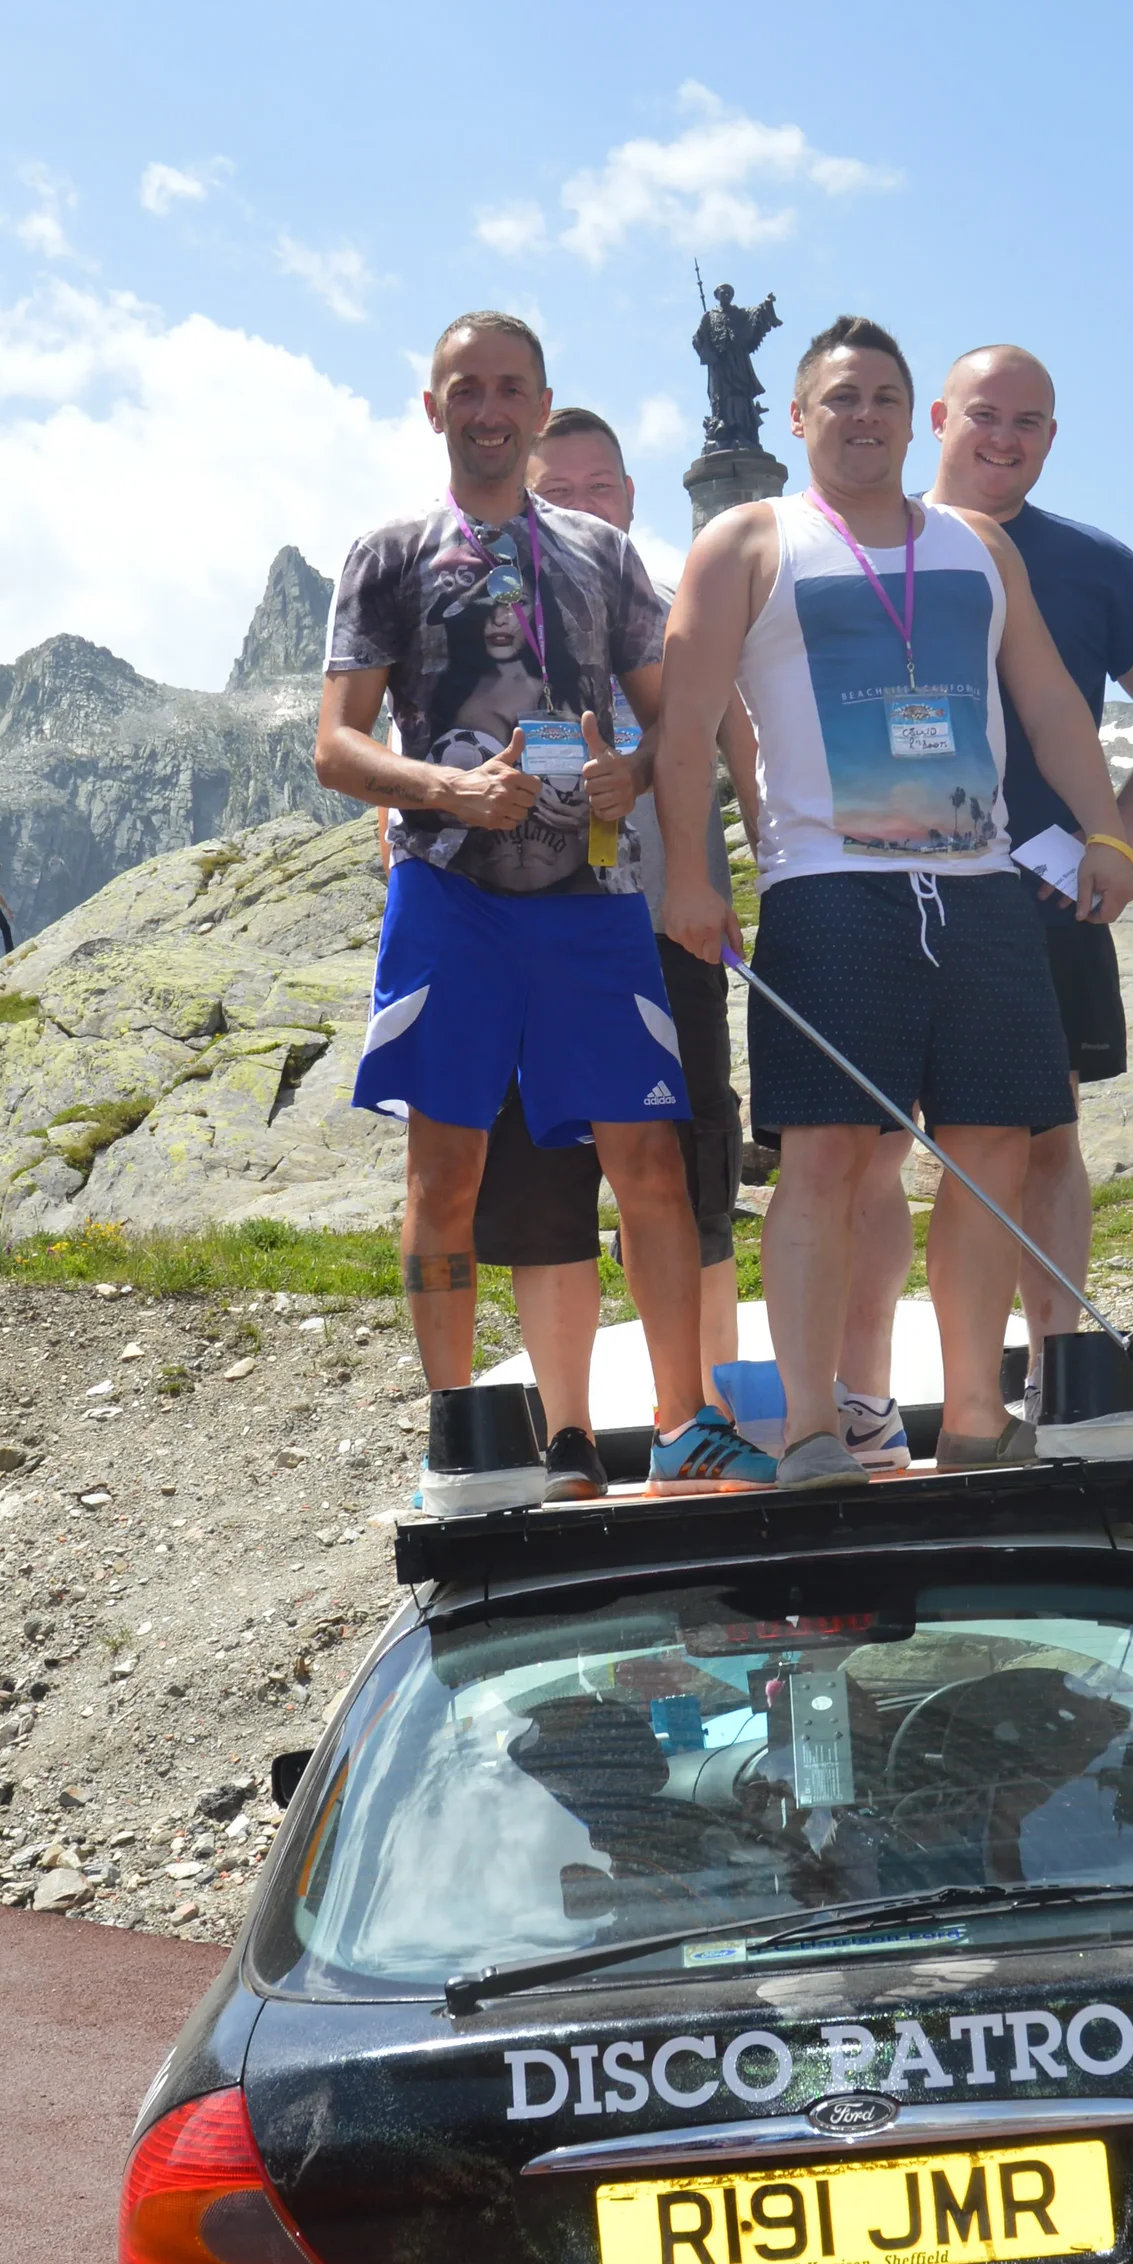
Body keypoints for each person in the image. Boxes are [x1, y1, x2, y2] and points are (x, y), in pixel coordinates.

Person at [655, 315, 1133, 1490]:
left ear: (908, 412)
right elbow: (682, 723)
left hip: (981, 890)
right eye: (840, 397)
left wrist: (1106, 827)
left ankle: (974, 1415)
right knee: (822, 1159)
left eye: (882, 395)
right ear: (800, 418)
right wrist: (687, 873)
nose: (861, 415)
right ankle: (813, 1430)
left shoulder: (977, 544)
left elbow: (1049, 704)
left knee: (993, 1154)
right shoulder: (748, 540)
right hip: (830, 890)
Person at [316, 311, 751, 1497]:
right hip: (448, 896)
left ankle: (681, 1423)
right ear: (434, 406)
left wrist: (630, 766)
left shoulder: (602, 558)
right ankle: (460, 1435)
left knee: (650, 1164)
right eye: (467, 387)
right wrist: (451, 787)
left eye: (510, 387)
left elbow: (675, 711)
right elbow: (337, 749)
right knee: (444, 1176)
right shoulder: (388, 555)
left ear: (540, 400)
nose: (489, 407)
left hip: (592, 897)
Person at [838, 345, 1133, 1447]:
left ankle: (1061, 1378)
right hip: (879, 885)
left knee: (1045, 1133)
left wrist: (1118, 833)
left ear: (1053, 439)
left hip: (1041, 894)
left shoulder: (1094, 562)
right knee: (868, 1147)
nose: (1004, 438)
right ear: (938, 417)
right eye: (984, 415)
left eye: (1031, 423)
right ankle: (863, 1398)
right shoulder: (859, 539)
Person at [468, 405, 763, 1492]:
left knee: (689, 1175)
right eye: (564, 487)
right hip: (526, 929)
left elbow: (735, 741)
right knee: (546, 1187)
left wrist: (734, 871)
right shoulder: (483, 612)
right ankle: (570, 1440)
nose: (588, 502)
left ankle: (705, 1415)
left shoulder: (687, 607)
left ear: (632, 496)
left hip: (662, 925)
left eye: (605, 484)